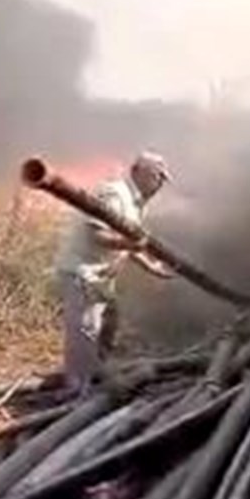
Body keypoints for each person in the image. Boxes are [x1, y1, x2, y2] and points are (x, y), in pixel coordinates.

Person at [56, 152, 172, 390]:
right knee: (85, 333)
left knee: (110, 323)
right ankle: (77, 390)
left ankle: (94, 374)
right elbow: (97, 235)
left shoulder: (136, 202)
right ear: (136, 172)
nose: (158, 184)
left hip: (101, 276)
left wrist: (151, 267)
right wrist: (130, 244)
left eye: (161, 179)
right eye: (155, 177)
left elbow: (129, 245)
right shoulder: (113, 194)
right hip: (83, 272)